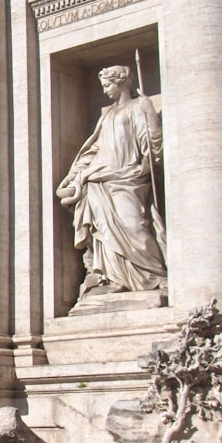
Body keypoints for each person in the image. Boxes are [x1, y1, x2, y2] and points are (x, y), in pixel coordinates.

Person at [57, 65, 167, 299]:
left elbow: (152, 141)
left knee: (134, 224)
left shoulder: (140, 105)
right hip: (99, 179)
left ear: (122, 82)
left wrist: (150, 153)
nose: (105, 91)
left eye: (108, 85)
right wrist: (75, 174)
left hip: (128, 176)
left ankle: (155, 275)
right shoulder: (106, 116)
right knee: (104, 231)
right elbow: (94, 148)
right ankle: (115, 277)